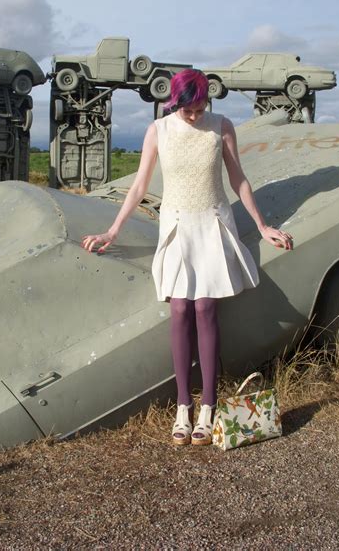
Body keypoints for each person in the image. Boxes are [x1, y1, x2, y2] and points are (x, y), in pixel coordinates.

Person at [82, 69, 293, 446]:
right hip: (177, 226)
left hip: (212, 223)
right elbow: (140, 185)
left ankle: (208, 408)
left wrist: (262, 226)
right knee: (179, 308)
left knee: (204, 309)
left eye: (200, 108)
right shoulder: (159, 131)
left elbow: (237, 179)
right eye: (188, 110)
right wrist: (112, 231)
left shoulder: (222, 126)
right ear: (175, 103)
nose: (195, 116)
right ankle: (183, 407)